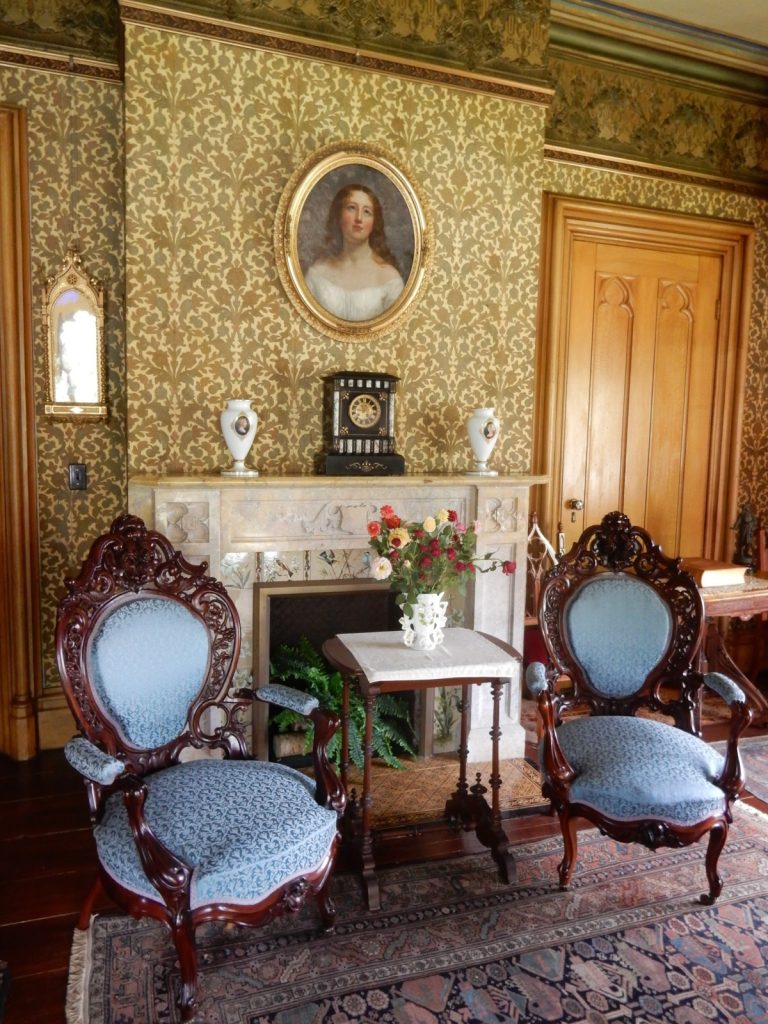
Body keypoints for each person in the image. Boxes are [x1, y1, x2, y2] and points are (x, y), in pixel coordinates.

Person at [305, 183, 404, 321]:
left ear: (375, 222)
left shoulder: (389, 278)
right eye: (351, 208)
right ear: (339, 215)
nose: (359, 218)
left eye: (367, 212)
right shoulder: (317, 274)